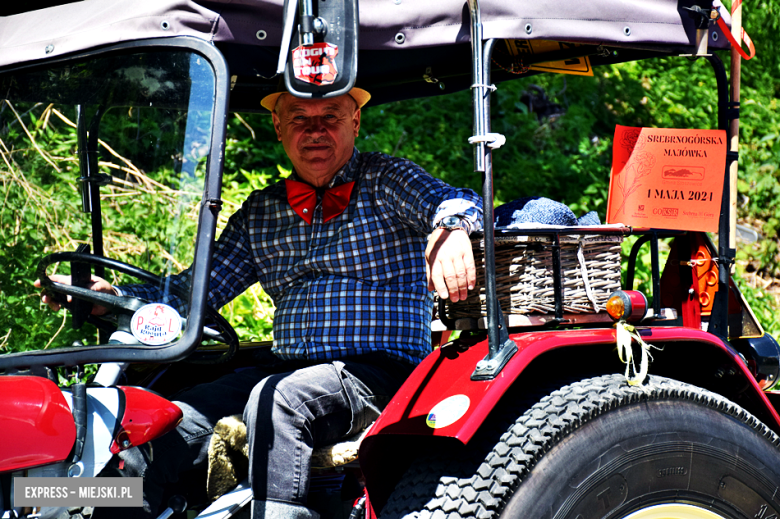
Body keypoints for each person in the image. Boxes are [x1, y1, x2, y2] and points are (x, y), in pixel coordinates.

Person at [37, 86, 482, 519]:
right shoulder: (262, 210)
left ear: (355, 121)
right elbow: (196, 292)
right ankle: (94, 509)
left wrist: (453, 228)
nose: (315, 131)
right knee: (165, 418)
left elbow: (455, 200)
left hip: (378, 371)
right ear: (277, 126)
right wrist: (114, 298)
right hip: (286, 366)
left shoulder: (386, 179)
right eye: (300, 120)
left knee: (280, 400)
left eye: (330, 117)